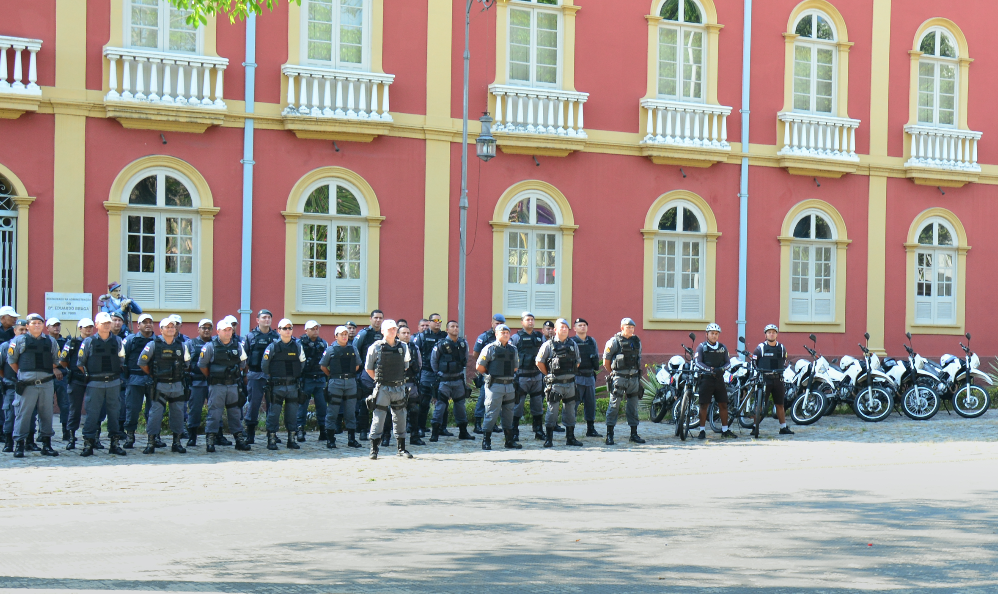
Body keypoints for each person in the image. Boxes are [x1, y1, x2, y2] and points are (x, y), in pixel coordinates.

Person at [8, 313, 63, 457]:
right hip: (27, 385)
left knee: (46, 414)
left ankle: (46, 444)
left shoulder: (51, 341)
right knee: (23, 414)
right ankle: (19, 444)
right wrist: (24, 373)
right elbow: (12, 361)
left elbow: (55, 361)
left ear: (43, 325)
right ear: (27, 326)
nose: (37, 325)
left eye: (39, 323)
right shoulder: (18, 341)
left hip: (46, 384)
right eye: (33, 323)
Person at [76, 312, 127, 457]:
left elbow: (122, 361)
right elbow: (80, 363)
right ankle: (88, 444)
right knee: (92, 414)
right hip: (95, 383)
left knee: (114, 414)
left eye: (108, 323)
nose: (106, 325)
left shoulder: (118, 341)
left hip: (113, 382)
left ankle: (114, 443)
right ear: (96, 325)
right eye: (103, 323)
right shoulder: (88, 342)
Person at [137, 317, 191, 454]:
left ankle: (177, 442)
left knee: (178, 414)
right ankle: (151, 442)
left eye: (172, 327)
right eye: (167, 327)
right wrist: (153, 375)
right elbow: (142, 362)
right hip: (160, 385)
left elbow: (187, 364)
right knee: (155, 414)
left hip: (177, 385)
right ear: (161, 330)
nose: (170, 329)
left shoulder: (182, 345)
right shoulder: (153, 345)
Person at [199, 318, 251, 452]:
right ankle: (210, 440)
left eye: (230, 330)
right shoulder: (210, 346)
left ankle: (239, 440)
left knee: (235, 413)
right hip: (217, 386)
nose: (228, 332)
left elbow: (242, 365)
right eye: (225, 330)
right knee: (214, 413)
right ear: (218, 331)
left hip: (233, 385)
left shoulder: (238, 346)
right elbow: (202, 365)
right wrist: (214, 376)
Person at [363, 319, 413, 460]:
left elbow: (406, 366)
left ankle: (401, 449)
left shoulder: (403, 346)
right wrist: (379, 380)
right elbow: (368, 368)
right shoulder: (375, 347)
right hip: (383, 388)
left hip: (398, 387)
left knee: (401, 418)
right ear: (383, 331)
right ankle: (374, 449)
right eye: (389, 329)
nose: (392, 331)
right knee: (378, 418)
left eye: (394, 329)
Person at [536, 319, 584, 448]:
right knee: (552, 411)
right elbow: (539, 362)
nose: (564, 329)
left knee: (570, 412)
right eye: (561, 327)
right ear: (556, 329)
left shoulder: (573, 344)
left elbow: (578, 361)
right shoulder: (548, 345)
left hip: (570, 384)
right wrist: (548, 375)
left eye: (566, 327)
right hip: (555, 384)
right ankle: (549, 439)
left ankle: (570, 438)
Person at [261, 319, 306, 451]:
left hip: (292, 386)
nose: (287, 330)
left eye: (289, 328)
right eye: (284, 328)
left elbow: (302, 364)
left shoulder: (297, 346)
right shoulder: (272, 347)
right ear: (279, 330)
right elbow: (265, 365)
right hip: (277, 386)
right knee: (274, 413)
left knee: (292, 413)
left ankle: (291, 439)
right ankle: (272, 439)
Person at [475, 324, 522, 451]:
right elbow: (479, 366)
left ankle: (509, 440)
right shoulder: (490, 348)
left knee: (509, 414)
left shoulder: (513, 349)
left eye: (507, 332)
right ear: (496, 334)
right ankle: (486, 440)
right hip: (495, 385)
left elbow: (515, 367)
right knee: (491, 413)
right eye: (503, 332)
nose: (506, 335)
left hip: (509, 385)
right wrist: (491, 374)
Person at [602, 318, 646, 446]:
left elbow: (638, 358)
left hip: (633, 378)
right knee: (614, 406)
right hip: (619, 378)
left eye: (632, 327)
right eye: (628, 327)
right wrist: (614, 373)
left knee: (633, 407)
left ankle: (634, 434)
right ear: (622, 328)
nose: (631, 329)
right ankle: (609, 435)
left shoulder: (636, 341)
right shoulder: (614, 341)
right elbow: (606, 362)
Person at [430, 320, 474, 442]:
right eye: (452, 327)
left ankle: (463, 432)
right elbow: (434, 361)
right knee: (440, 407)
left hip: (458, 380)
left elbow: (465, 359)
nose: (455, 328)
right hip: (444, 381)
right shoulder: (441, 344)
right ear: (447, 329)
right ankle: (435, 433)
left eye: (457, 326)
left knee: (460, 407)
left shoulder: (463, 344)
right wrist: (439, 374)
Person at [320, 325, 363, 449]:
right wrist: (333, 376)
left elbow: (357, 365)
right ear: (336, 336)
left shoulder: (353, 348)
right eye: (341, 334)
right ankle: (330, 439)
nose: (344, 336)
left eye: (345, 334)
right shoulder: (330, 350)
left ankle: (351, 439)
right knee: (332, 412)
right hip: (335, 383)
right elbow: (323, 366)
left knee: (350, 412)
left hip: (350, 382)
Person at [694, 323, 736, 440]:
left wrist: (721, 369)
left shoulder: (722, 347)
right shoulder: (701, 347)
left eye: (716, 334)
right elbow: (698, 362)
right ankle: (702, 431)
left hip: (719, 380)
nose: (714, 336)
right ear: (707, 334)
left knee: (723, 404)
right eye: (712, 333)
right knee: (704, 405)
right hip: (706, 379)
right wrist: (710, 369)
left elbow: (728, 363)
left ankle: (725, 430)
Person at [242, 309, 279, 445]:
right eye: (264, 317)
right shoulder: (250, 337)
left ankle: (272, 434)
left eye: (269, 317)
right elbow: (244, 358)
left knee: (273, 405)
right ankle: (250, 433)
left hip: (272, 376)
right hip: (255, 375)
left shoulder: (276, 336)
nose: (267, 320)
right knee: (253, 405)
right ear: (257, 320)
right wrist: (246, 375)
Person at [752, 324, 794, 437]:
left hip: (778, 379)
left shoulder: (781, 347)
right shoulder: (760, 348)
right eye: (769, 332)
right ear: (765, 334)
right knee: (760, 405)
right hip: (764, 379)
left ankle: (783, 427)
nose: (771, 334)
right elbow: (754, 362)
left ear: (776, 334)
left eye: (774, 332)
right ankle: (755, 427)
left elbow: (783, 360)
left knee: (780, 404)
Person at [59, 318, 94, 450]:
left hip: (92, 379)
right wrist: (73, 369)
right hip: (76, 379)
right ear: (80, 328)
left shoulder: (95, 341)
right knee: (74, 409)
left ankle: (93, 437)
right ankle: (72, 437)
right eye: (85, 327)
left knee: (93, 410)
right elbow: (63, 360)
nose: (88, 329)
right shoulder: (72, 343)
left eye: (90, 327)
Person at [121, 313, 155, 449]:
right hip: (134, 379)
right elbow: (122, 360)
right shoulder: (130, 340)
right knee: (132, 409)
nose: (148, 324)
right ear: (138, 325)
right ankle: (130, 436)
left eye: (150, 322)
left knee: (153, 410)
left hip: (153, 380)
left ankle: (153, 437)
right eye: (144, 322)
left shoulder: (158, 341)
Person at [510, 312, 546, 441]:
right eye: (528, 320)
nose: (530, 322)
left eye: (532, 320)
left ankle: (539, 431)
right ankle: (514, 431)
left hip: (536, 376)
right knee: (518, 405)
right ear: (522, 322)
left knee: (537, 405)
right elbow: (510, 354)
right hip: (522, 376)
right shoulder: (516, 337)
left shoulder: (539, 337)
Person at [413, 313, 446, 438]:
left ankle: (442, 427)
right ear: (430, 322)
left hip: (441, 372)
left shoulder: (444, 336)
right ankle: (421, 427)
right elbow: (415, 353)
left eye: (440, 320)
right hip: (426, 372)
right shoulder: (422, 337)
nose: (438, 322)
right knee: (424, 401)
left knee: (443, 400)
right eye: (435, 320)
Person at [353, 310, 384, 440]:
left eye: (380, 318)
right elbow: (355, 351)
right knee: (365, 403)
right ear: (370, 319)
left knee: (382, 404)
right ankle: (363, 431)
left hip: (382, 373)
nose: (378, 320)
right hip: (366, 374)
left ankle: (380, 432)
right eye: (375, 318)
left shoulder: (385, 334)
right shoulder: (364, 334)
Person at [471, 314, 505, 434]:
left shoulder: (505, 337)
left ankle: (493, 424)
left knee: (496, 400)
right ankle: (477, 424)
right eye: (497, 323)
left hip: (501, 373)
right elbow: (476, 353)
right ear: (492, 323)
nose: (499, 326)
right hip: (487, 372)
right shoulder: (484, 337)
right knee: (482, 398)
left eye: (501, 324)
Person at [296, 320, 328, 443]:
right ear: (306, 330)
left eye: (317, 328)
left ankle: (323, 430)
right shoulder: (299, 343)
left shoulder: (323, 343)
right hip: (306, 379)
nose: (315, 331)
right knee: (302, 406)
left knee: (322, 406)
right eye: (312, 328)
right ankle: (300, 429)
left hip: (319, 378)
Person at [570, 318, 602, 438]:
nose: (582, 327)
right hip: (577, 377)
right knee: (573, 404)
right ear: (575, 328)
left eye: (584, 325)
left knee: (590, 404)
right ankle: (570, 430)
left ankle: (591, 429)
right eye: (580, 325)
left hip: (589, 376)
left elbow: (596, 357)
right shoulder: (571, 341)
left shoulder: (592, 341)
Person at [0, 319, 27, 452]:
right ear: (14, 330)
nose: (23, 332)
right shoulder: (5, 346)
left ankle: (27, 442)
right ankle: (8, 442)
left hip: (28, 386)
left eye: (25, 330)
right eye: (20, 330)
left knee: (28, 416)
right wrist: (6, 379)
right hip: (11, 386)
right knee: (10, 415)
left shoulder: (31, 345)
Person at [185, 319, 213, 447]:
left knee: (214, 409)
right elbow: (186, 363)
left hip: (213, 382)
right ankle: (192, 437)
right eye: (203, 328)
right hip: (196, 381)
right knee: (195, 410)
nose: (206, 330)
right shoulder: (190, 343)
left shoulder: (216, 343)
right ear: (198, 329)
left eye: (209, 328)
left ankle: (215, 436)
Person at [45, 318, 72, 443]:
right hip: (47, 376)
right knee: (45, 406)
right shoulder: (43, 341)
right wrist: (54, 369)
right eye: (53, 326)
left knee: (65, 404)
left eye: (58, 325)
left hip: (63, 376)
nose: (56, 328)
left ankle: (66, 431)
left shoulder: (66, 341)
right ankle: (44, 432)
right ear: (47, 328)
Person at [398, 324, 425, 446]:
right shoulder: (393, 348)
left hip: (410, 383)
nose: (406, 335)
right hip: (396, 384)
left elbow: (419, 365)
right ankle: (386, 437)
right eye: (403, 333)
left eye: (408, 333)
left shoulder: (414, 348)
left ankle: (414, 436)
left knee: (414, 410)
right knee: (390, 411)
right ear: (397, 335)